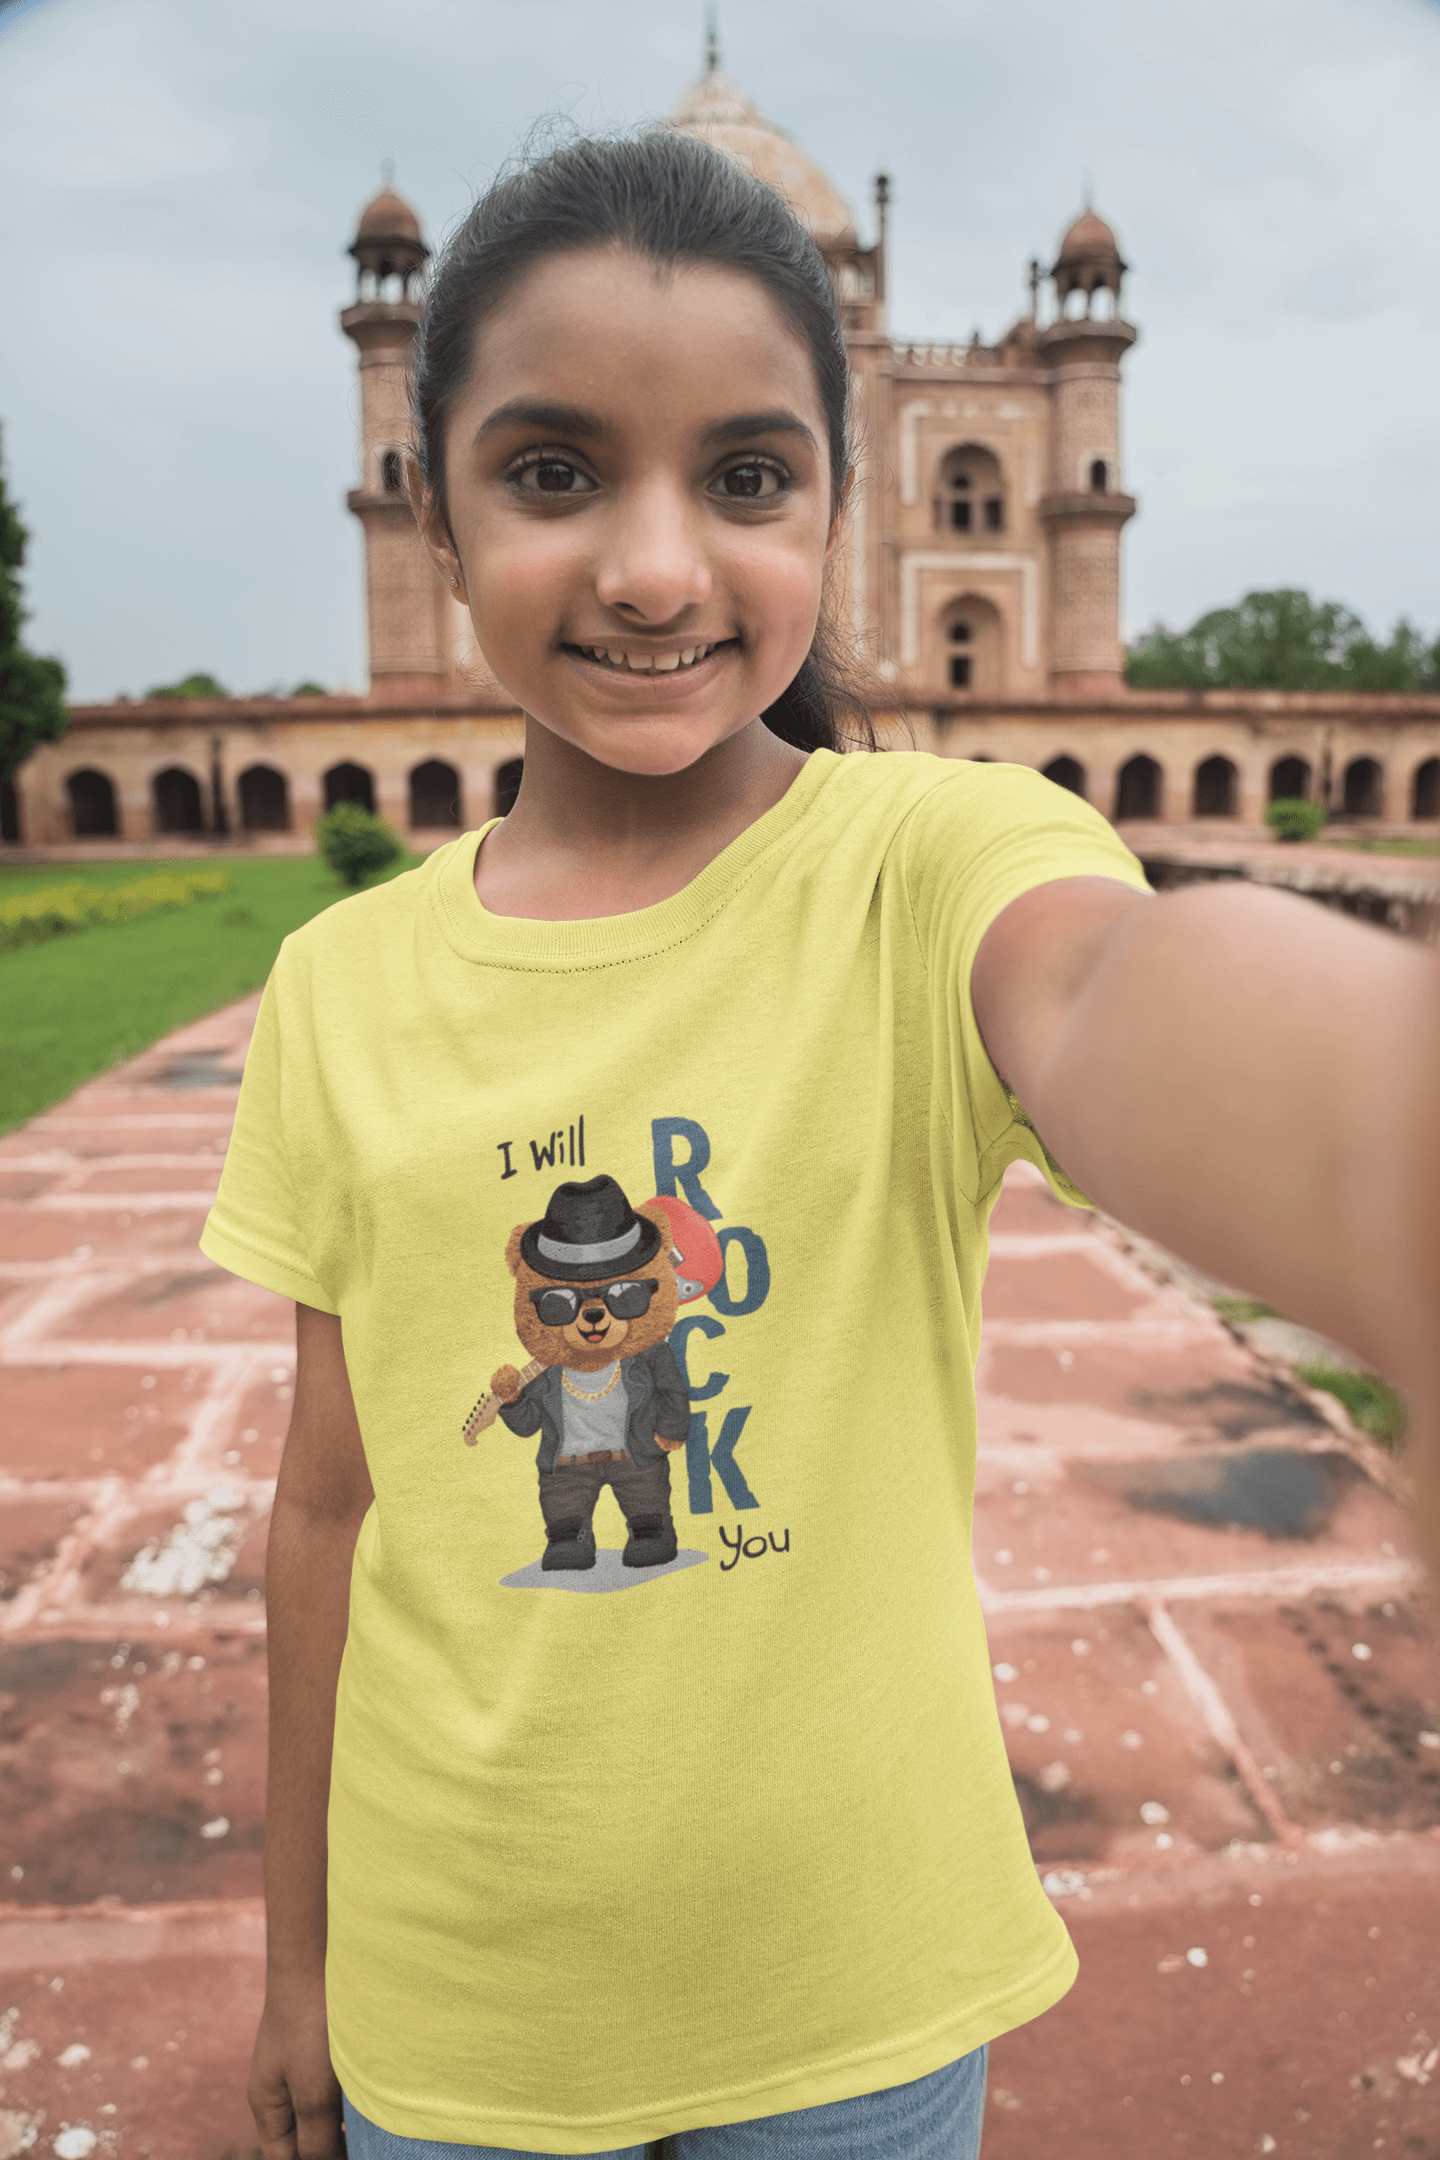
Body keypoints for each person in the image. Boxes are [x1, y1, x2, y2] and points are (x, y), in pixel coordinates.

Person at [201, 129, 1439, 2160]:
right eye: (553, 469)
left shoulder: (932, 861)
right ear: (428, 507)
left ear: (849, 507)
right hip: (458, 1996)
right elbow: (329, 1515)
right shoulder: (343, 987)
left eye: (749, 477)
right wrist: (298, 1968)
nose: (658, 569)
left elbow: (1121, 1003)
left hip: (852, 1989)